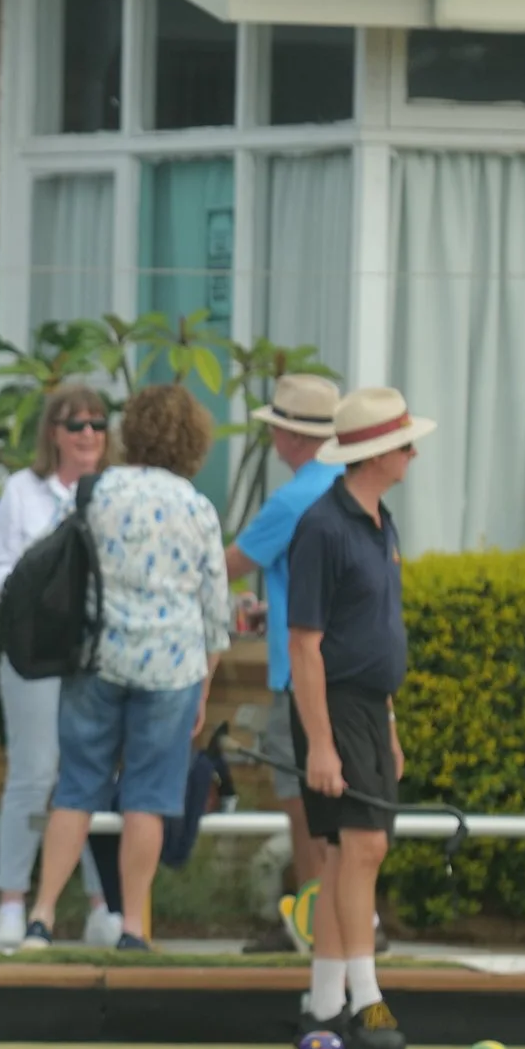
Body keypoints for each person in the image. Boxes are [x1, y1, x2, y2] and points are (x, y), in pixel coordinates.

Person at [23, 384, 230, 952]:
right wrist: (204, 688)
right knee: (149, 799)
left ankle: (40, 917)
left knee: (76, 789)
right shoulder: (198, 508)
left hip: (97, 659)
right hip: (172, 668)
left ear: (129, 431)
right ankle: (134, 927)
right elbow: (215, 613)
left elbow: (57, 569)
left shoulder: (95, 491)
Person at [288, 386, 431, 1049]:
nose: (413, 452)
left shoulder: (383, 521)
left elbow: (378, 630)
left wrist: (391, 723)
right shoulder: (322, 527)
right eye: (405, 443)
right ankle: (365, 999)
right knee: (363, 847)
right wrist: (320, 741)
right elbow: (305, 643)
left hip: (371, 706)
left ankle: (322, 1001)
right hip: (334, 703)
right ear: (375, 453)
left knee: (352, 852)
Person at [0, 384, 122, 949]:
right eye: (74, 424)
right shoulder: (22, 492)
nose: (88, 435)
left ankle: (100, 905)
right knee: (34, 774)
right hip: (36, 654)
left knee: (93, 779)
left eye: (97, 424)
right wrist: (42, 572)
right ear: (53, 435)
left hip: (97, 656)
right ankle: (13, 900)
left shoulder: (116, 492)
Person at [223, 375, 344, 954]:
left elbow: (228, 564)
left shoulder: (292, 499)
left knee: (302, 806)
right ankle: (350, 921)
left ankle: (314, 926)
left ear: (289, 435)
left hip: (298, 679)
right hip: (348, 674)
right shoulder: (348, 488)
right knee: (341, 813)